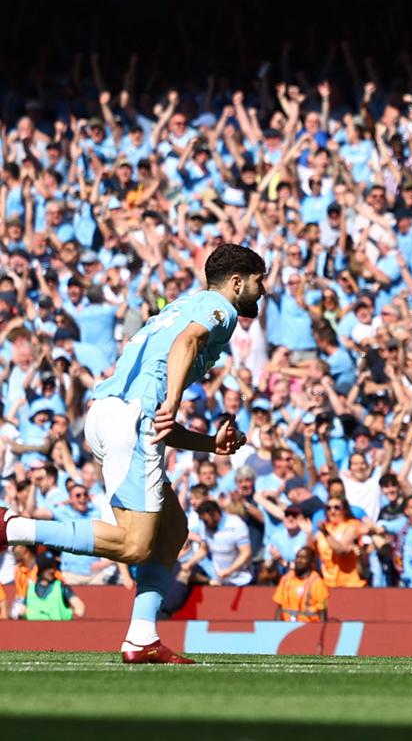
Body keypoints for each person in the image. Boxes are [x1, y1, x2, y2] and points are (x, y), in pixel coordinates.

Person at [0, 243, 265, 663]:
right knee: (135, 546)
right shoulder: (220, 309)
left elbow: (156, 418)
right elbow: (186, 346)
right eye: (258, 280)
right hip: (130, 418)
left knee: (173, 528)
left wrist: (208, 444)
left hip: (109, 413)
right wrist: (175, 399)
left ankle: (141, 637)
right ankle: (13, 527)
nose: (261, 290)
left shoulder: (180, 305)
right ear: (237, 282)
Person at [24, 552, 86, 621]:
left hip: (59, 630)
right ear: (40, 569)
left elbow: (80, 607)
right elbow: (20, 610)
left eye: (53, 566)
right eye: (48, 567)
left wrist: (70, 624)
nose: (52, 570)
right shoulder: (29, 588)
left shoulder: (61, 587)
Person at [272, 546, 328, 622]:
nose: (299, 560)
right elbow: (279, 609)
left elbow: (323, 613)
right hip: (286, 627)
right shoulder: (286, 579)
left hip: (310, 627)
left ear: (311, 562)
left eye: (303, 558)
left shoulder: (317, 583)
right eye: (297, 557)